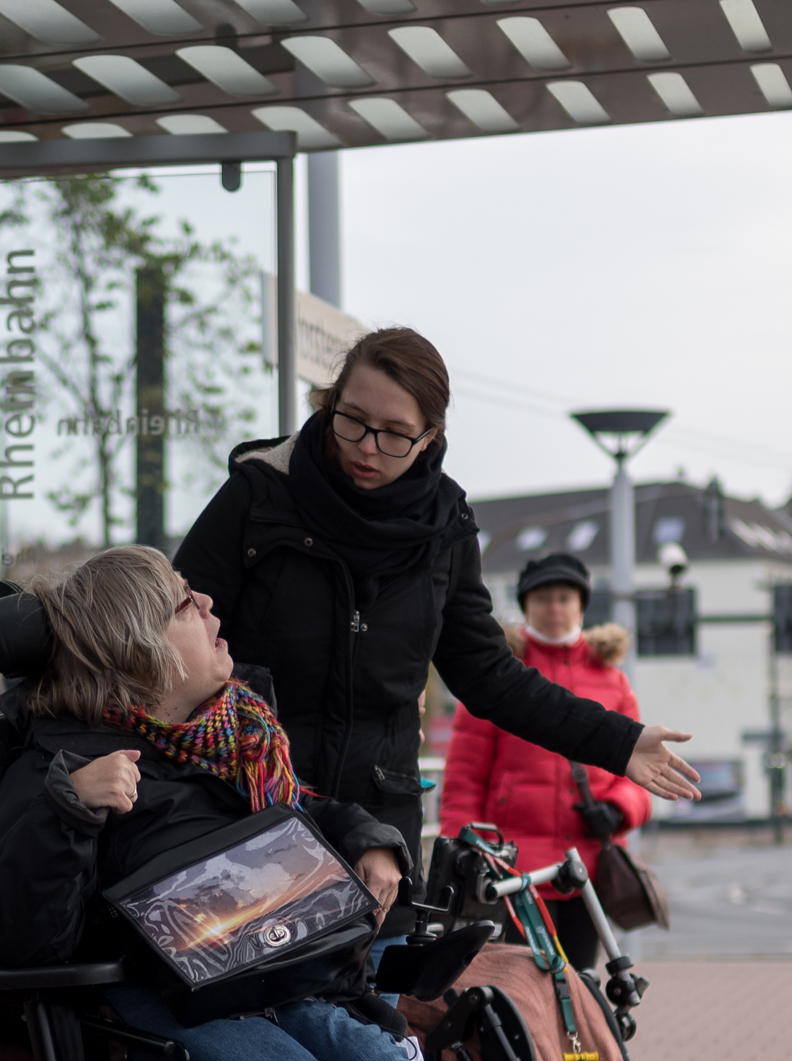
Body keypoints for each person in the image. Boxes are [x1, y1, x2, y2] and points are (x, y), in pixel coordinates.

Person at [0, 547, 639, 1061]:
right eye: (185, 603)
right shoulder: (60, 769)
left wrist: (372, 841)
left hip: (272, 981)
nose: (209, 607)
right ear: (136, 646)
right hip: (160, 1010)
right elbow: (15, 940)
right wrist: (69, 811)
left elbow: (301, 815)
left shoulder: (223, 739)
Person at [175, 327, 701, 858]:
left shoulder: (446, 531)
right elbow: (169, 636)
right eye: (352, 418)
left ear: (430, 437)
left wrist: (620, 741)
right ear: (330, 401)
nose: (366, 446)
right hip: (249, 810)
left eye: (395, 433)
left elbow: (492, 676)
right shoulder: (259, 494)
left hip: (379, 838)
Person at [435, 550, 651, 889]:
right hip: (511, 869)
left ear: (581, 607)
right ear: (525, 607)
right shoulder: (495, 678)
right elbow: (464, 779)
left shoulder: (613, 680)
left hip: (592, 869)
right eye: (542, 598)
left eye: (565, 598)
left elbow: (634, 769)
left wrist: (619, 809)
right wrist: (462, 851)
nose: (554, 608)